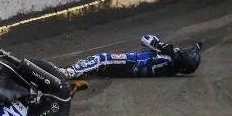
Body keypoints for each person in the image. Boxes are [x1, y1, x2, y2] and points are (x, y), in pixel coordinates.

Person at [58, 35, 202, 79]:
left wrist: (163, 45)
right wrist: (196, 47)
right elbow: (191, 51)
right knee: (96, 64)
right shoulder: (170, 70)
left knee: (102, 59)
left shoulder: (167, 54)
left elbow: (145, 38)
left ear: (182, 58)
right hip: (129, 71)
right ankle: (74, 73)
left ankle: (69, 72)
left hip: (131, 62)